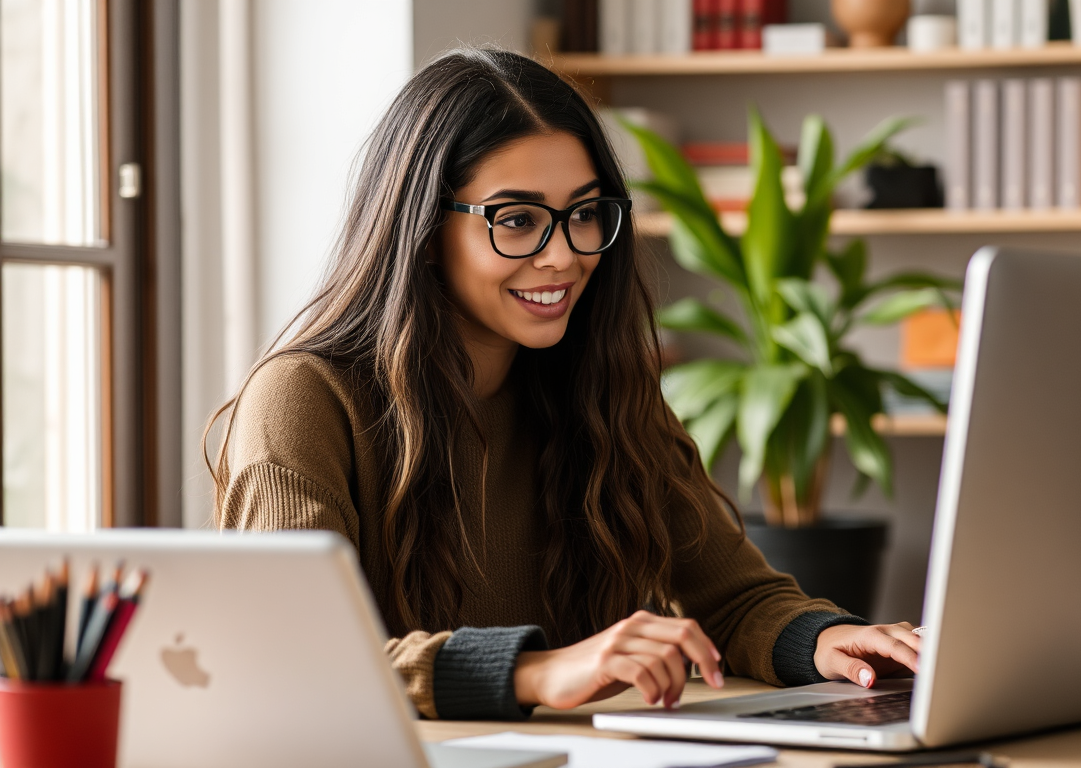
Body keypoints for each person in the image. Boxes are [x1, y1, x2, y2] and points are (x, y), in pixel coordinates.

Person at [207, 47, 921, 721]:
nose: (563, 255)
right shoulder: (302, 399)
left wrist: (824, 641)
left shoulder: (602, 387)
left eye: (584, 214)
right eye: (517, 221)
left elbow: (733, 599)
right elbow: (287, 655)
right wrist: (537, 671)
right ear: (423, 231)